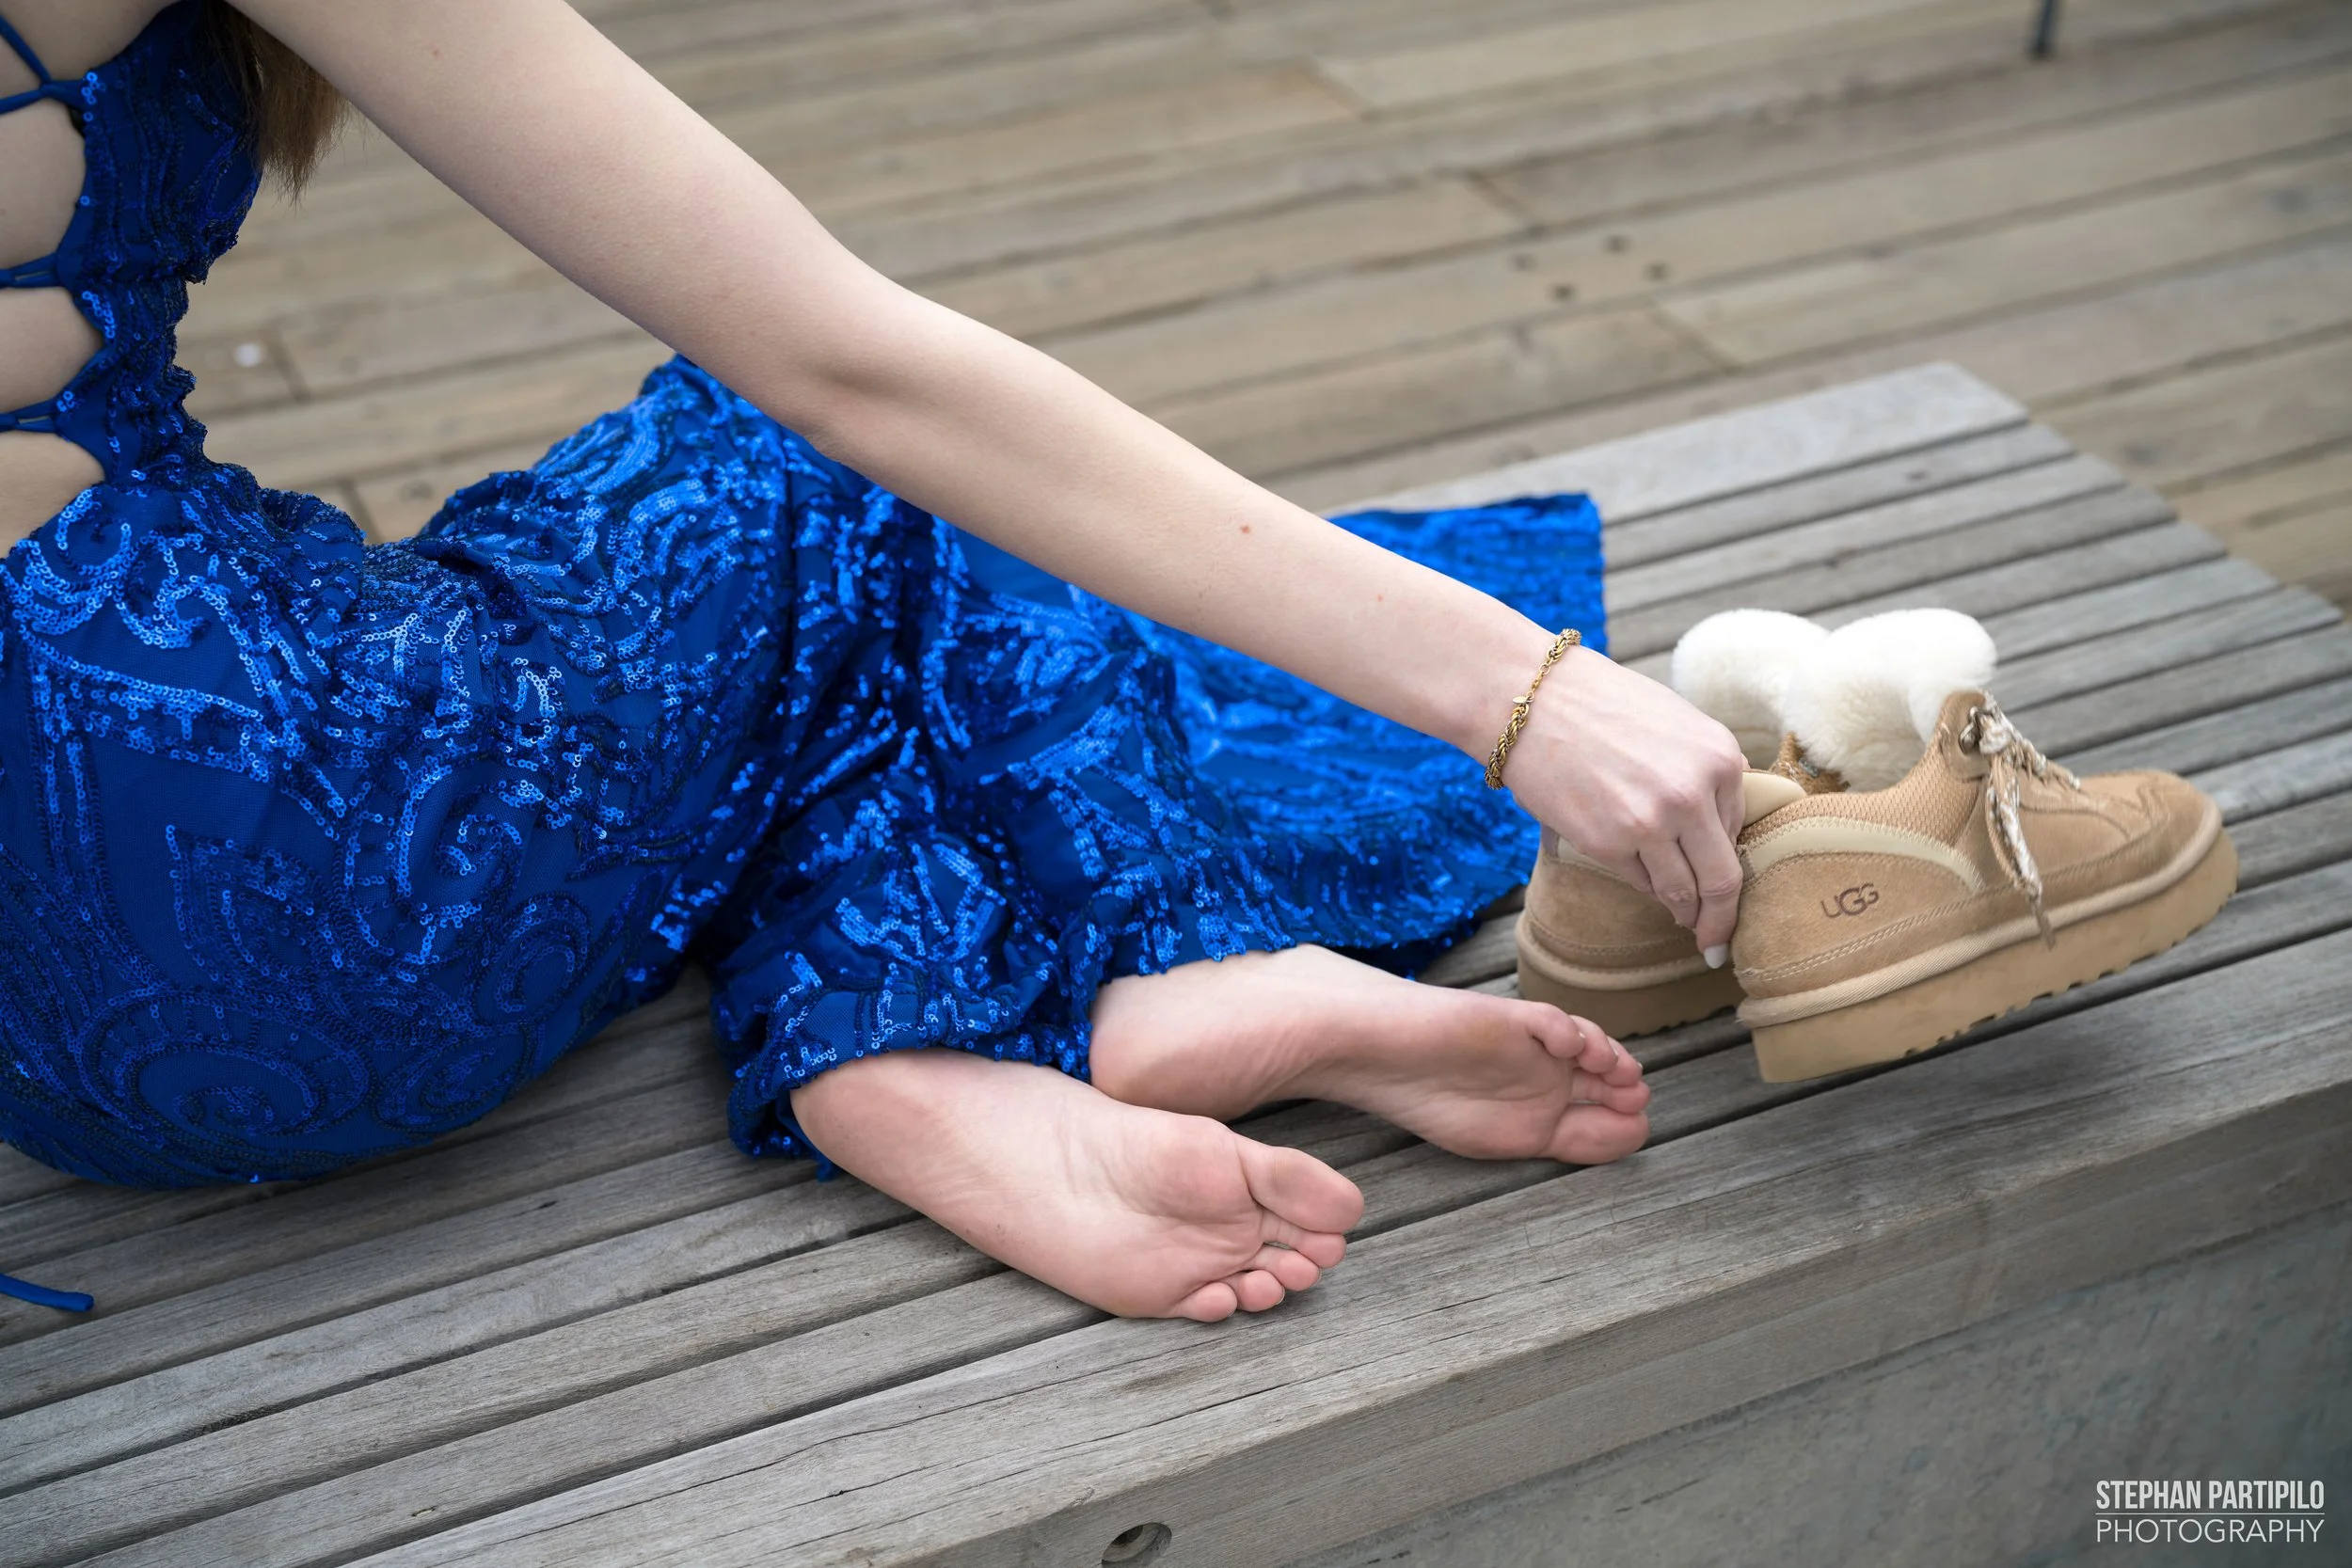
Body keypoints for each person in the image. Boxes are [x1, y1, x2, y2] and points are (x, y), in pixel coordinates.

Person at [0, 0, 1747, 1323]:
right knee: (811, 464)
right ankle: (1103, 970)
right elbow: (853, 369)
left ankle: (917, 1056)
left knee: (736, 632)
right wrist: (1521, 689)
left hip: (44, 1057)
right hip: (265, 859)